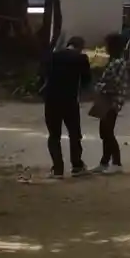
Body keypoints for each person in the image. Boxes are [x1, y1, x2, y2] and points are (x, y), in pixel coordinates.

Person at [42, 35, 92, 179]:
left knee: (54, 136)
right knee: (74, 134)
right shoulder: (81, 58)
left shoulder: (53, 56)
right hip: (70, 101)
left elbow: (44, 75)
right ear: (80, 47)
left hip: (51, 100)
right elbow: (86, 81)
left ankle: (57, 169)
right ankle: (77, 166)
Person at [92, 32, 130, 175]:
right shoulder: (113, 61)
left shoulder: (118, 63)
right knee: (104, 132)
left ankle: (116, 163)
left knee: (107, 132)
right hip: (107, 100)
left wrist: (98, 87)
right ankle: (104, 162)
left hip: (111, 101)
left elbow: (114, 84)